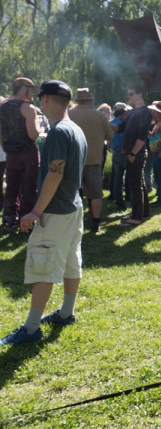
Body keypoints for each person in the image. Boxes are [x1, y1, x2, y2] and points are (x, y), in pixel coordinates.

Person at [0, 80, 87, 345]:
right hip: (74, 206)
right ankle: (66, 312)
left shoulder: (60, 131)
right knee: (72, 260)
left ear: (46, 99)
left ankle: (31, 328)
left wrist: (36, 211)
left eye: (40, 99)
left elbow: (55, 173)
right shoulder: (75, 128)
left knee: (43, 265)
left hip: (56, 210)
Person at [68, 88, 114, 233]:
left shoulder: (68, 114)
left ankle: (75, 223)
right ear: (90, 101)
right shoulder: (99, 116)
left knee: (73, 193)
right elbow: (110, 136)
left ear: (77, 101)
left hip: (73, 161)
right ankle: (95, 224)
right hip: (94, 160)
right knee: (95, 194)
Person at [0, 77, 41, 231]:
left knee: (12, 186)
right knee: (29, 186)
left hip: (11, 153)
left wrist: (8, 147)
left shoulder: (1, 107)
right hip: (28, 153)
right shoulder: (28, 108)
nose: (33, 94)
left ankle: (9, 219)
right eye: (32, 90)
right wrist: (38, 128)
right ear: (24, 89)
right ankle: (26, 220)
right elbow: (32, 135)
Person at [117, 85, 153, 227]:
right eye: (128, 94)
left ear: (139, 94)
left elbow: (142, 136)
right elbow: (120, 128)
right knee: (140, 184)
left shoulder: (145, 112)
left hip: (136, 154)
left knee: (134, 185)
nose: (129, 97)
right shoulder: (132, 112)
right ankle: (144, 214)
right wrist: (104, 125)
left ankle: (136, 217)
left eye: (131, 94)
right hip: (133, 153)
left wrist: (133, 153)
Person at [109, 102, 131, 210]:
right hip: (126, 153)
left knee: (117, 178)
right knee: (130, 176)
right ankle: (129, 197)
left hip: (115, 152)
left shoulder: (110, 123)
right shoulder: (125, 125)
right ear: (123, 113)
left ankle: (118, 201)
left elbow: (108, 140)